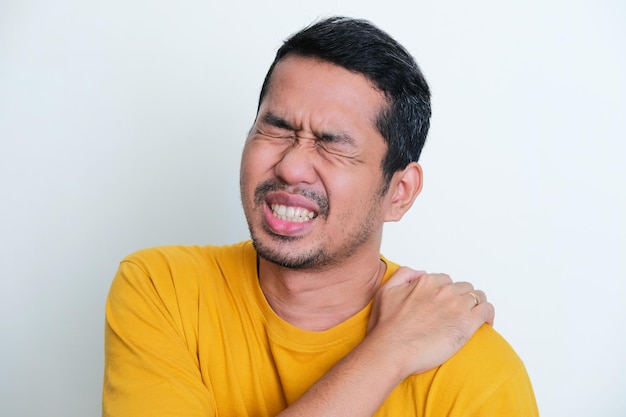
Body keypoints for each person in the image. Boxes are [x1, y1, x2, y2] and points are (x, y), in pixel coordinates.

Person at [103, 16, 538, 417]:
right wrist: (389, 352)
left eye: (333, 143)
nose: (291, 166)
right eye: (277, 129)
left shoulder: (473, 368)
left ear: (399, 193)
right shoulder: (165, 288)